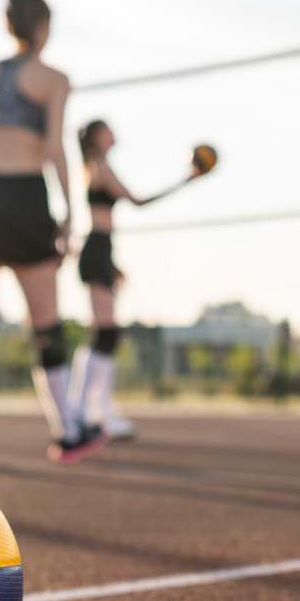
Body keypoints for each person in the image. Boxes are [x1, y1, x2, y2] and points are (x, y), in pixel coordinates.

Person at [0, 0, 102, 465]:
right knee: (45, 326)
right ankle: (68, 432)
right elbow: (54, 146)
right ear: (44, 27)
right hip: (26, 197)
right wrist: (70, 210)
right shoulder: (54, 79)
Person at [69, 121, 198, 439]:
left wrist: (110, 262)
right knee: (106, 333)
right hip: (96, 247)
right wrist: (186, 181)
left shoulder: (94, 166)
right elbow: (138, 202)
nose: (114, 133)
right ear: (98, 136)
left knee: (103, 333)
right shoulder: (101, 166)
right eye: (108, 129)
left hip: (101, 249)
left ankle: (91, 409)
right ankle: (90, 411)